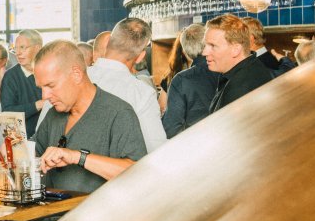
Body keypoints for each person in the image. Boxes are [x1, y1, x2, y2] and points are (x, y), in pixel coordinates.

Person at [32, 41, 146, 193]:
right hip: (53, 207)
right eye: (41, 88)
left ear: (76, 74)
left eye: (51, 86)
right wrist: (15, 146)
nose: (45, 96)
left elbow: (136, 174)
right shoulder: (54, 114)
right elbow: (35, 152)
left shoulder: (118, 113)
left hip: (98, 208)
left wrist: (77, 157)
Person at [87, 18, 166, 154]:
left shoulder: (74, 78)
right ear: (140, 57)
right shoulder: (142, 93)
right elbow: (156, 149)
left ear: (108, 43)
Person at [205, 14, 274, 113]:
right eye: (206, 45)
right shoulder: (252, 68)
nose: (204, 52)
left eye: (213, 46)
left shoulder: (239, 88)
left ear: (236, 49)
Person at [162, 23, 220, 138]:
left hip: (196, 143)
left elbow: (171, 128)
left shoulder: (181, 80)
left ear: (185, 52)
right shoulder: (226, 69)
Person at [0, 29, 45, 137]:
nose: (18, 53)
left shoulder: (50, 70)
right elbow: (7, 114)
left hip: (51, 139)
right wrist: (37, 105)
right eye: (15, 48)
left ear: (38, 48)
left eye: (22, 47)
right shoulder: (11, 76)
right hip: (23, 140)